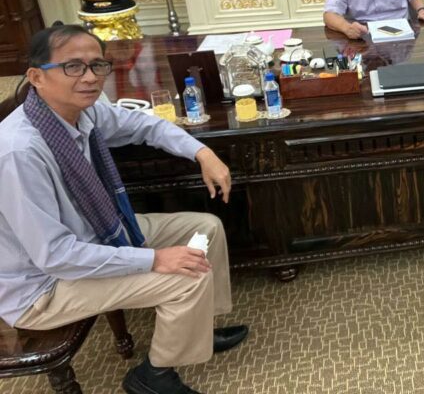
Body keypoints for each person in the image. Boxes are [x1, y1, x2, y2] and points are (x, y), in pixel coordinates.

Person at [0, 24, 248, 394]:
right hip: (43, 287)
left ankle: (195, 329)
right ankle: (153, 377)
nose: (89, 77)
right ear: (37, 77)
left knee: (206, 228)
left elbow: (145, 125)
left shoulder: (83, 113)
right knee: (186, 276)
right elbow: (54, 256)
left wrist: (202, 152)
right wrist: (153, 260)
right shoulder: (19, 152)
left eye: (96, 66)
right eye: (72, 67)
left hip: (95, 235)